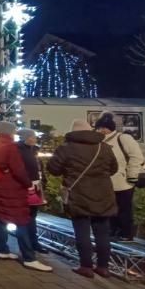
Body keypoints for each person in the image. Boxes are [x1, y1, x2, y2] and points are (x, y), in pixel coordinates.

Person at [47, 119, 118, 278]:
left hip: (78, 194)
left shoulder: (66, 148)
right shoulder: (104, 147)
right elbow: (114, 168)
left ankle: (86, 266)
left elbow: (54, 169)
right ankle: (103, 267)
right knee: (102, 232)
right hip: (103, 194)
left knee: (82, 231)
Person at [0, 121, 52, 272]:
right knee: (22, 221)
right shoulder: (10, 147)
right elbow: (18, 169)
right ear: (9, 132)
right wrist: (28, 182)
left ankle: (3, 250)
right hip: (13, 188)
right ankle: (29, 257)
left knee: (1, 219)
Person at [93, 112, 145, 241]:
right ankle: (112, 231)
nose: (99, 130)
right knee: (110, 208)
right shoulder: (98, 141)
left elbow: (136, 156)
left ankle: (126, 234)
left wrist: (132, 175)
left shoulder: (123, 138)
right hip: (106, 182)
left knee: (124, 208)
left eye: (100, 128)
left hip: (124, 181)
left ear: (106, 128)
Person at [15, 128, 49, 255]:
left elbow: (39, 167)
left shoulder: (34, 150)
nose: (35, 139)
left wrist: (43, 181)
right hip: (25, 187)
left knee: (33, 216)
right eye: (33, 137)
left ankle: (34, 242)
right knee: (26, 216)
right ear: (26, 138)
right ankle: (27, 245)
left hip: (36, 186)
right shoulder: (18, 150)